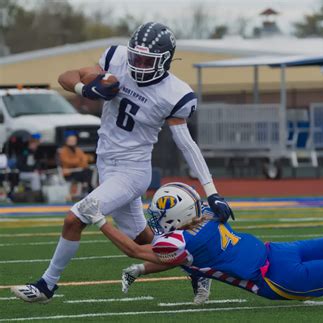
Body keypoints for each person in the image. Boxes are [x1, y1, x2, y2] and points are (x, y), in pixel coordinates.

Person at [11, 22, 233, 304]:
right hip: (106, 163)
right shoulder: (115, 58)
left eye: (146, 60)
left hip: (132, 170)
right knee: (143, 238)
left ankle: (46, 285)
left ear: (165, 61)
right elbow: (65, 76)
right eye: (135, 57)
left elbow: (186, 144)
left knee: (74, 218)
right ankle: (195, 266)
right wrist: (86, 88)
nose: (138, 65)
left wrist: (211, 191)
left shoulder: (174, 92)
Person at [62, 175, 323, 301]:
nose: (156, 219)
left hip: (277, 279)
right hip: (279, 250)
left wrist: (101, 220)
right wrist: (140, 269)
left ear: (176, 216)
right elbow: (169, 260)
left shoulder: (179, 243)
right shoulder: (211, 215)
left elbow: (141, 247)